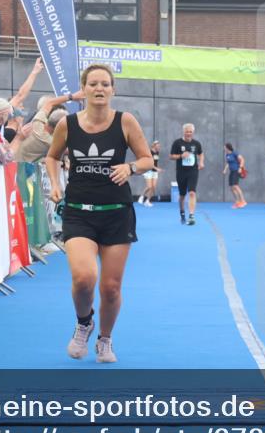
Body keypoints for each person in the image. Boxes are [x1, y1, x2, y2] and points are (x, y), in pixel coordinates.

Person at [45, 63, 153, 363]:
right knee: (84, 278)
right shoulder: (68, 124)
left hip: (116, 213)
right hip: (79, 212)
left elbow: (147, 159)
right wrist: (55, 183)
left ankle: (105, 339)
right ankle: (84, 323)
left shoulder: (125, 121)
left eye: (105, 84)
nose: (99, 89)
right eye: (93, 84)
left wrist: (129, 167)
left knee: (111, 288)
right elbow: (52, 157)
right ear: (84, 89)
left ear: (113, 89)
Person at [170, 123, 203, 225]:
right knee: (182, 195)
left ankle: (192, 216)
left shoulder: (196, 144)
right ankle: (182, 212)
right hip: (181, 172)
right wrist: (181, 156)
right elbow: (171, 156)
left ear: (193, 132)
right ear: (183, 132)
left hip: (193, 171)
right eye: (187, 131)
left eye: (190, 131)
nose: (188, 133)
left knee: (192, 192)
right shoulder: (177, 143)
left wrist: (201, 162)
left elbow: (201, 153)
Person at [223, 142, 247, 208]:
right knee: (231, 187)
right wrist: (225, 169)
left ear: (227, 147)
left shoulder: (234, 153)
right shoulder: (227, 155)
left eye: (224, 147)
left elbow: (242, 159)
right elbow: (228, 163)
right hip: (231, 171)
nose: (224, 148)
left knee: (235, 186)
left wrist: (240, 168)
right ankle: (237, 201)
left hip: (236, 171)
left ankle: (243, 201)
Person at [138, 140, 161, 206]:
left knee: (153, 187)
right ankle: (141, 196)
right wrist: (156, 168)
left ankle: (147, 201)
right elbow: (149, 163)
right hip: (148, 171)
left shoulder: (157, 152)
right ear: (154, 145)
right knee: (149, 186)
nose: (159, 146)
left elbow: (155, 162)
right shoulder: (149, 152)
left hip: (154, 172)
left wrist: (156, 169)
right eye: (157, 145)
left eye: (159, 145)